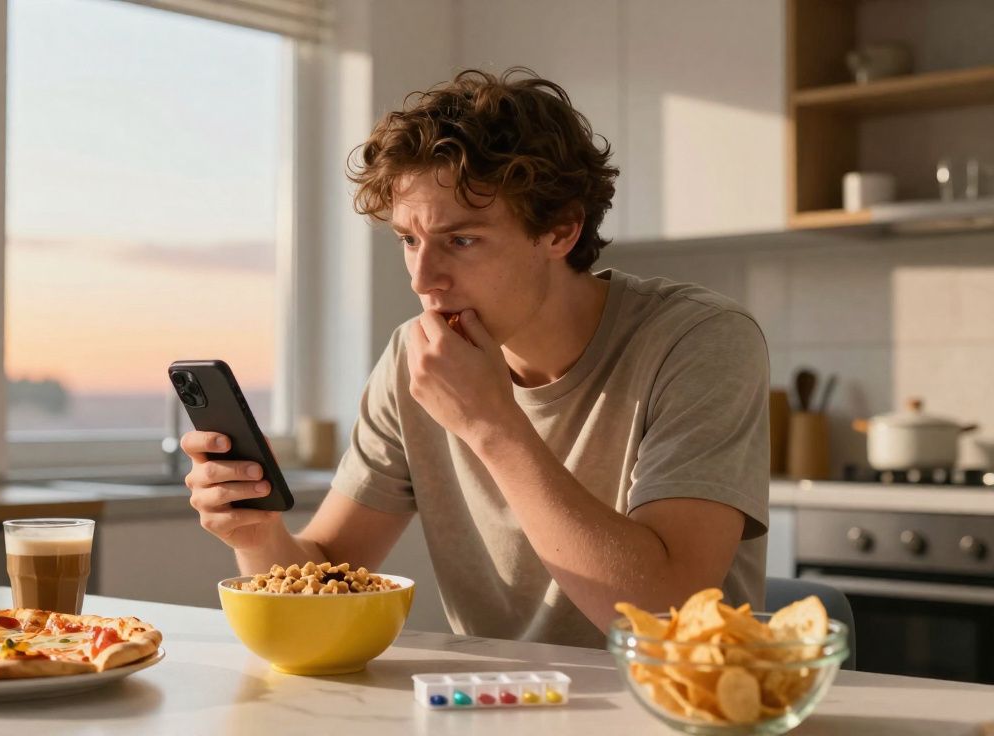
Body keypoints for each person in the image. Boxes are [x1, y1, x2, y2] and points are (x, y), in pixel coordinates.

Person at [181, 67, 769, 648]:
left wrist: (491, 424)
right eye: (409, 240)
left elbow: (669, 617)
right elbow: (329, 570)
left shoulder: (699, 339)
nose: (422, 279)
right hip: (489, 704)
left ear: (562, 230)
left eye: (461, 240)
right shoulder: (411, 358)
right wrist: (258, 534)